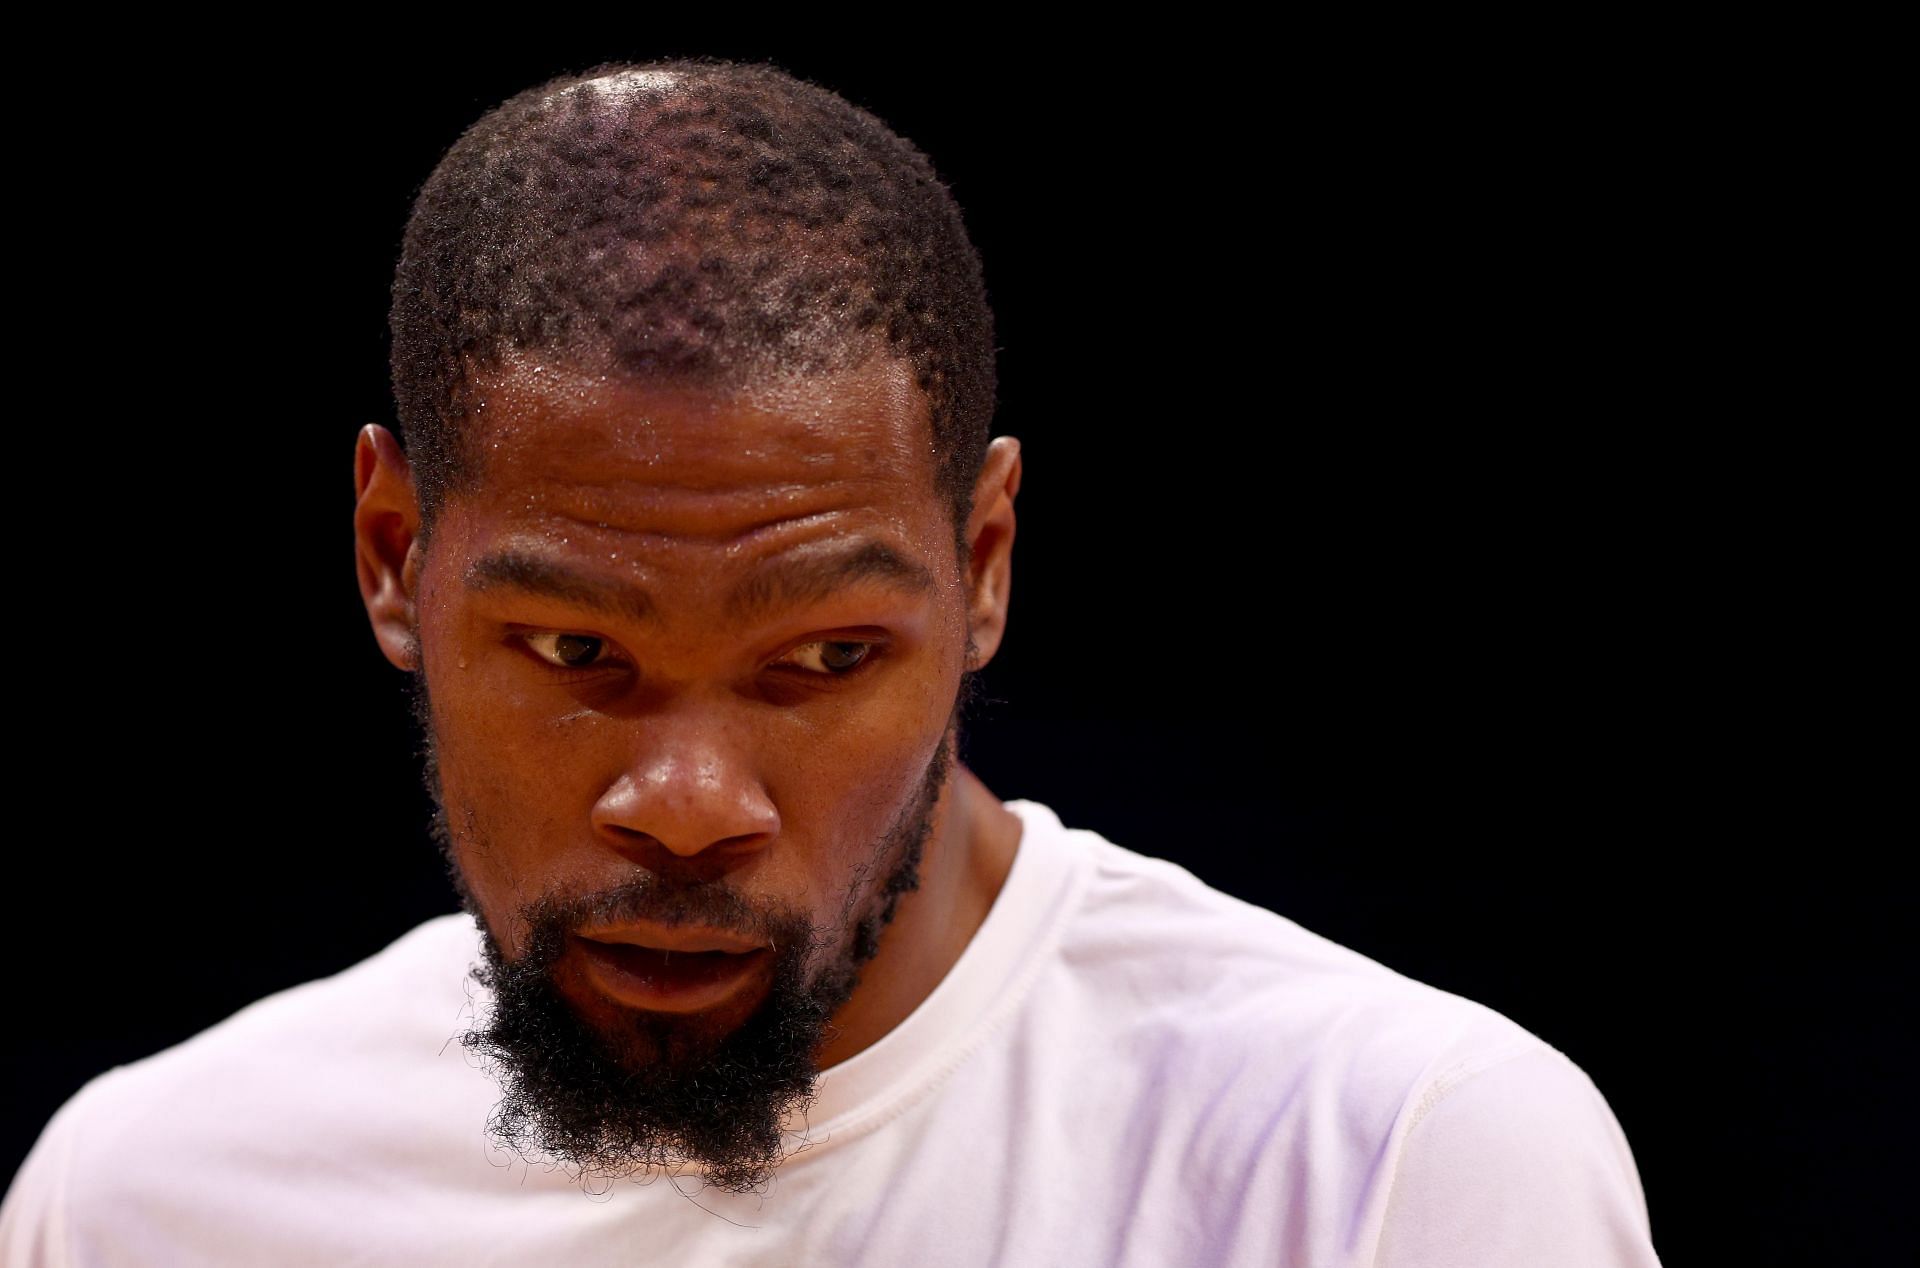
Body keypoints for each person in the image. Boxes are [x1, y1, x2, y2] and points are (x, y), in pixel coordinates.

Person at [0, 58, 1664, 1267]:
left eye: (822, 657)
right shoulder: (153, 1202)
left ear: (986, 567)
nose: (688, 805)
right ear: (391, 558)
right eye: (578, 648)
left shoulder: (1392, 1166)